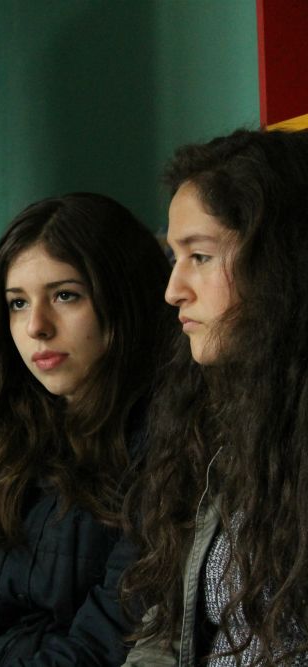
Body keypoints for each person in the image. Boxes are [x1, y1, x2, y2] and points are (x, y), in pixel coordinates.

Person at [0, 193, 175, 666]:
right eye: (18, 303)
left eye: (66, 295)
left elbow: (105, 643)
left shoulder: (170, 444)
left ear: (123, 297)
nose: (36, 327)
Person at [122, 129, 308, 666]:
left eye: (199, 256)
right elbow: (162, 626)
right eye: (173, 256)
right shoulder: (212, 421)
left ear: (279, 264)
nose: (172, 288)